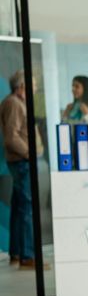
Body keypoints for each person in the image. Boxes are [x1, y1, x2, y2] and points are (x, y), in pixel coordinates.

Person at [1, 70, 42, 269]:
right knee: (26, 209)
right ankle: (27, 256)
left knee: (19, 208)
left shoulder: (16, 103)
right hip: (22, 162)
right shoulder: (14, 103)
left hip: (21, 162)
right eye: (32, 85)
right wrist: (29, 153)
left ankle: (17, 253)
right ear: (21, 87)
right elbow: (12, 137)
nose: (35, 88)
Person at [61, 75, 88, 156]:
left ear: (86, 89)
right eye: (72, 86)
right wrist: (65, 115)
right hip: (74, 153)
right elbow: (64, 133)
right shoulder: (72, 108)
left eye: (77, 86)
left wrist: (87, 115)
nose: (73, 89)